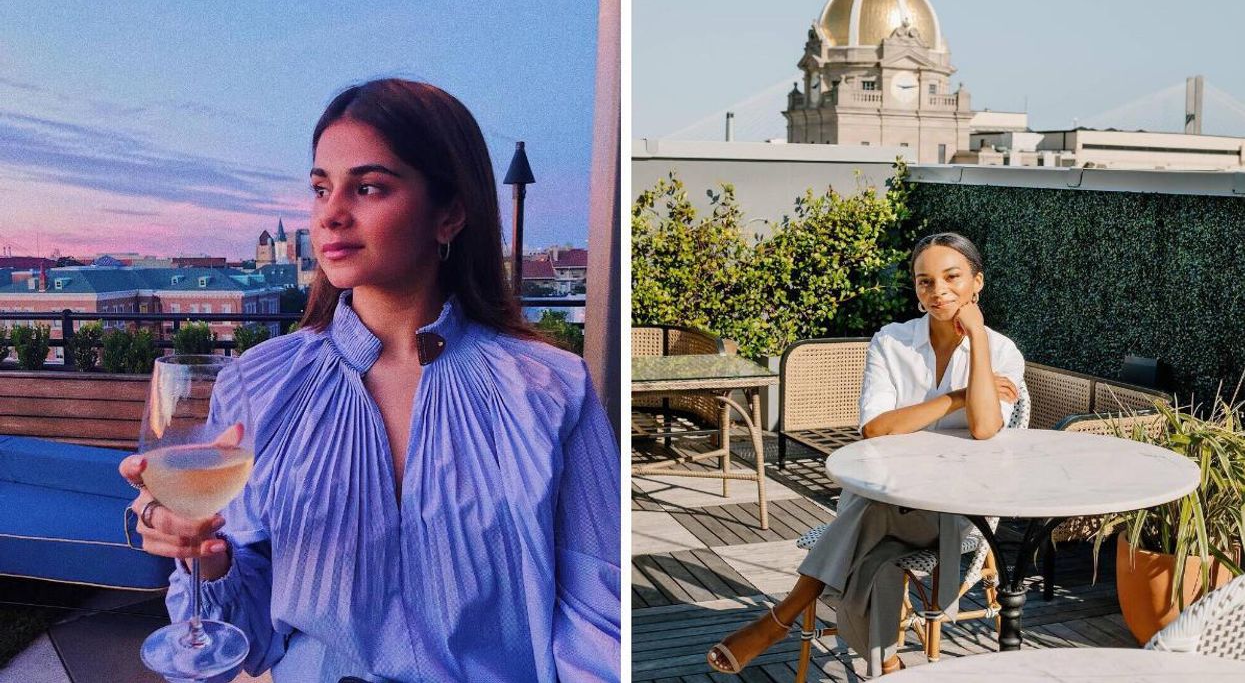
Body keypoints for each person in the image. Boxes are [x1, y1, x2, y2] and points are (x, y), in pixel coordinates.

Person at [120, 79, 621, 682]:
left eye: (368, 187)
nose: (330, 213)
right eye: (320, 188)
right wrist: (208, 558)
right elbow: (244, 642)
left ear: (451, 213)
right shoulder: (261, 385)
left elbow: (599, 616)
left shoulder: (550, 387)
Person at [706, 232, 1025, 677]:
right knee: (874, 560)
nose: (938, 291)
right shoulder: (891, 342)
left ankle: (781, 618)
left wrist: (977, 339)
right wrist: (956, 397)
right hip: (887, 498)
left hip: (953, 510)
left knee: (865, 513)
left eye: (952, 277)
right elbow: (876, 428)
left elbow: (985, 426)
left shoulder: (1002, 351)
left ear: (977, 283)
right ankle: (887, 666)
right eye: (925, 281)